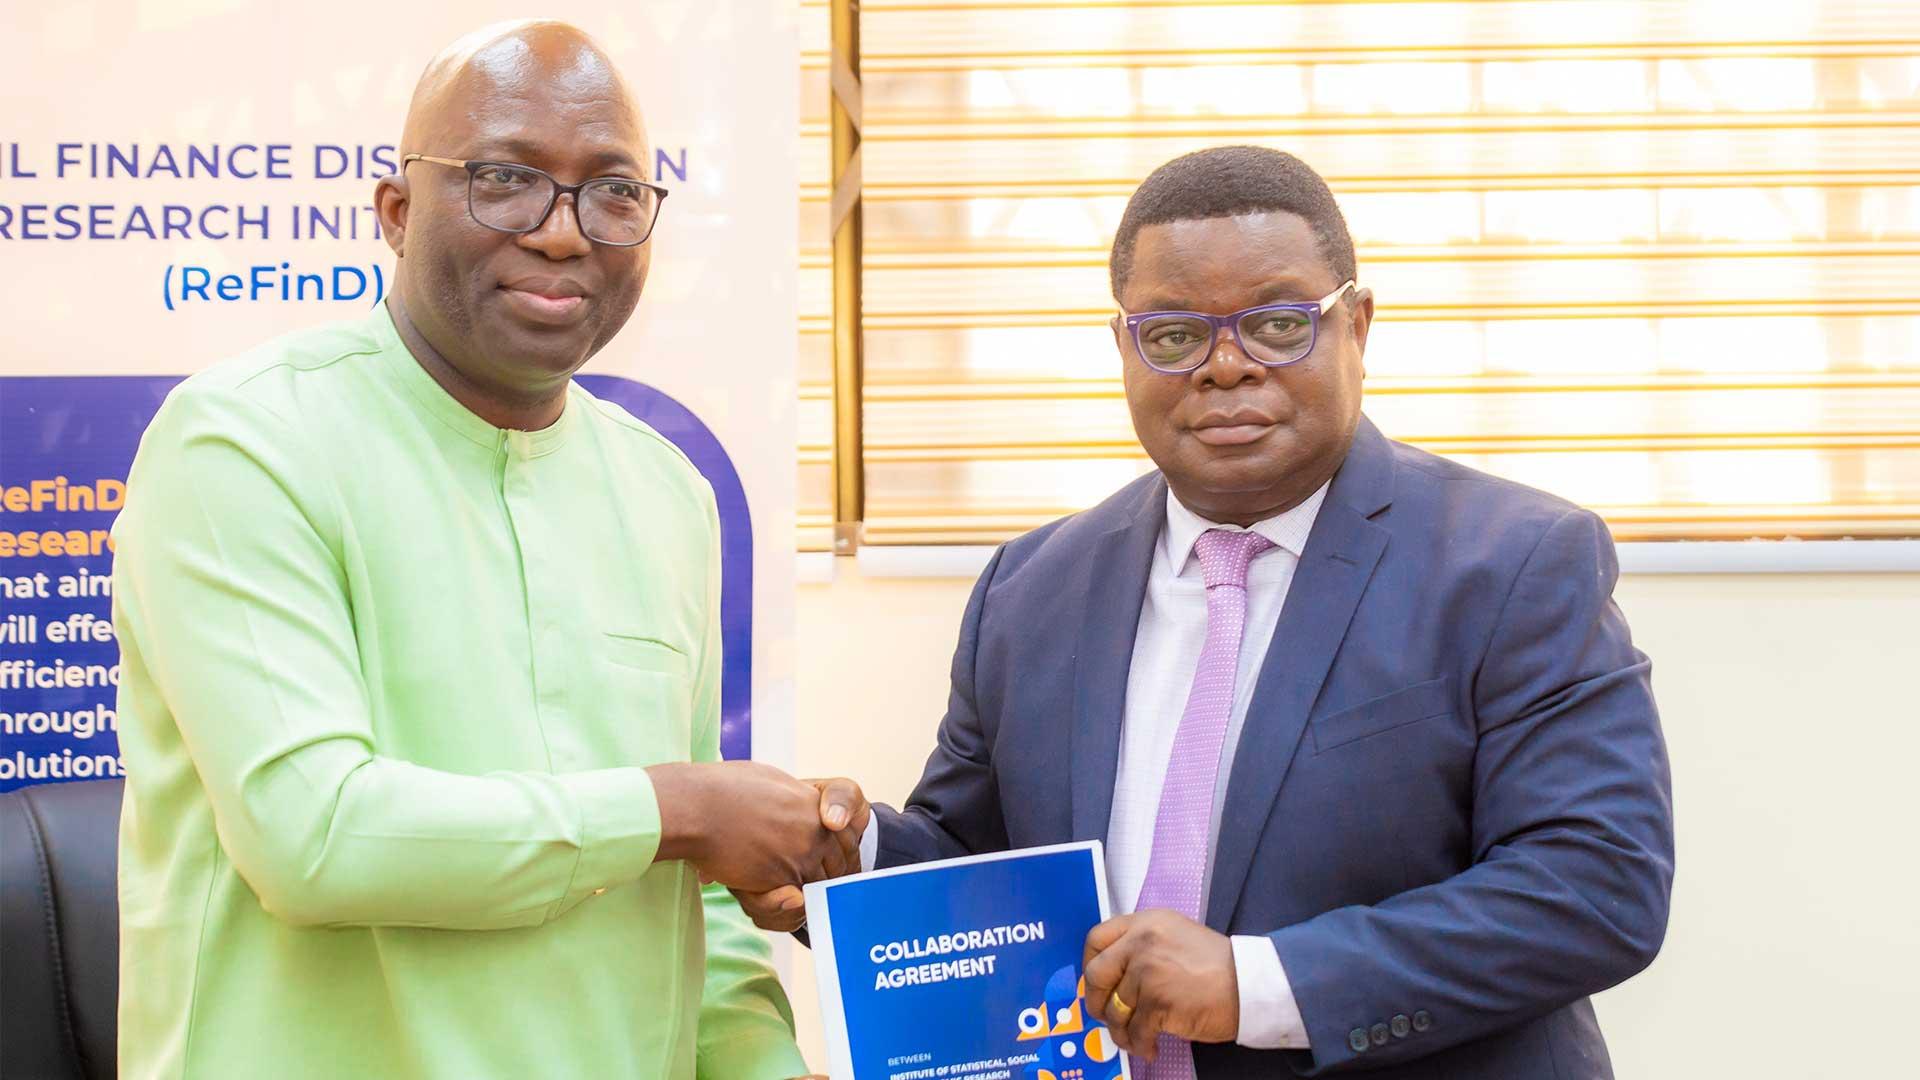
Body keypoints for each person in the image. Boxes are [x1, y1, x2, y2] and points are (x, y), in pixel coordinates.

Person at [741, 146, 1674, 1079]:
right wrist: (847, 856)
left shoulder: (1514, 560)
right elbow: (983, 870)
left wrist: (1255, 983)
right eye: (1176, 335)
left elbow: (1591, 886)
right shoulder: (1029, 589)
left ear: (1358, 325)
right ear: (1124, 348)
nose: (1226, 367)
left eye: (1276, 324)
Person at [112, 21, 844, 1079]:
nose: (562, 232)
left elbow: (693, 904)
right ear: (397, 213)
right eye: (505, 179)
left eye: (613, 191)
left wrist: (762, 1063)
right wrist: (681, 808)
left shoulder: (667, 493)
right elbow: (313, 838)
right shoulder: (242, 444)